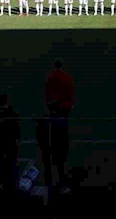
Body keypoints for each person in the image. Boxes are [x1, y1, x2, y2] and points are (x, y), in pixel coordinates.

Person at [42, 59, 75, 196]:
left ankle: (51, 184)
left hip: (53, 116)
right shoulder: (67, 78)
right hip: (63, 116)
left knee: (52, 149)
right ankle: (62, 183)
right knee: (62, 149)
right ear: (62, 66)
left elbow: (47, 97)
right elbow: (70, 97)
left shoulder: (49, 78)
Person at [0, 94, 20, 203]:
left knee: (0, 171)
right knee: (10, 171)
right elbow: (17, 133)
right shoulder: (13, 114)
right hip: (10, 147)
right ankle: (10, 194)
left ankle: (0, 194)